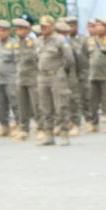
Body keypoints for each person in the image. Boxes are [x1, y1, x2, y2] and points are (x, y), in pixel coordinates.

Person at [33, 17, 75, 146]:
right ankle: (48, 134)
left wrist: (62, 72)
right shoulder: (38, 41)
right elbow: (36, 58)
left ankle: (64, 133)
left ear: (52, 26)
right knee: (45, 107)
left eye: (45, 26)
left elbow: (69, 59)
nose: (43, 28)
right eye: (41, 26)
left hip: (56, 75)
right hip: (42, 76)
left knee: (61, 105)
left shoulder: (60, 40)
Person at [84, 18, 106, 133]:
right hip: (93, 74)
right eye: (96, 25)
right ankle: (93, 123)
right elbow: (84, 56)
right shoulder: (89, 40)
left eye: (101, 25)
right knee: (92, 100)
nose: (98, 27)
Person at [12, 17, 39, 141]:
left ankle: (41, 127)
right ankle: (24, 129)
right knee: (22, 106)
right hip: (20, 78)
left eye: (22, 29)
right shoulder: (15, 43)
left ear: (28, 30)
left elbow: (39, 60)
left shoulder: (34, 42)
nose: (19, 31)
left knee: (37, 104)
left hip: (33, 77)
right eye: (17, 29)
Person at [0, 20, 19, 138]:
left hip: (11, 77)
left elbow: (19, 61)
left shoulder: (14, 43)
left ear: (9, 31)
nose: (0, 33)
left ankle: (19, 125)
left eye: (3, 30)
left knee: (15, 102)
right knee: (0, 103)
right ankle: (4, 126)